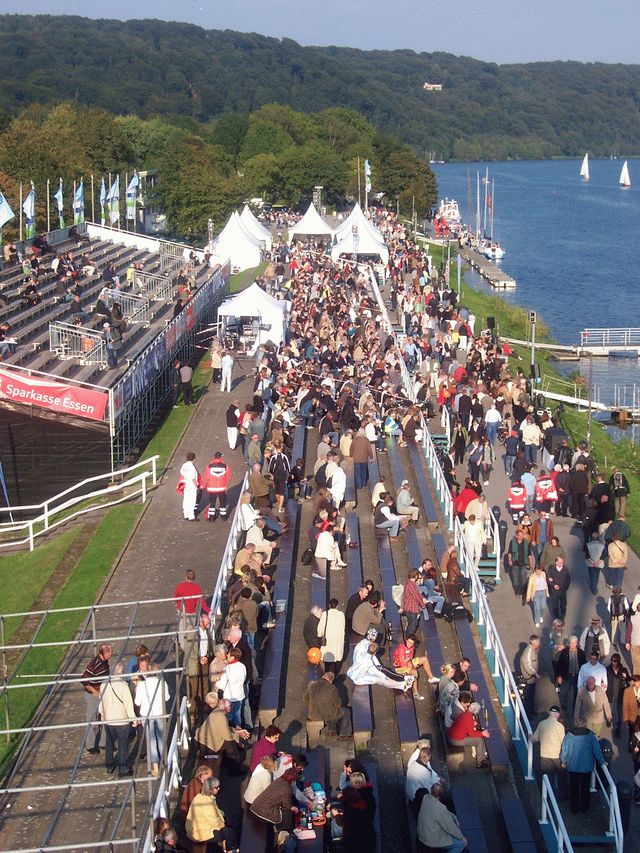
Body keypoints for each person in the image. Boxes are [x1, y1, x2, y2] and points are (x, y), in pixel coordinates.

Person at [97, 661, 136, 776]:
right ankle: (122, 768)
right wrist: (133, 718)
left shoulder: (104, 684)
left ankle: (109, 766)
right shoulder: (124, 686)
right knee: (123, 744)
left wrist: (102, 714)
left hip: (108, 720)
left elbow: (101, 702)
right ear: (121, 672)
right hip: (121, 720)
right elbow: (128, 705)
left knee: (109, 743)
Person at [134, 662, 170, 777]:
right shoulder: (162, 682)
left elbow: (137, 702)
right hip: (159, 713)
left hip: (146, 715)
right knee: (161, 738)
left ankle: (155, 767)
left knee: (152, 740)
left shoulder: (141, 685)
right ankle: (164, 761)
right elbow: (167, 698)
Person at [560, 724, 605, 814]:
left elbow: (564, 750)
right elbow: (597, 751)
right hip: (586, 767)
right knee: (585, 787)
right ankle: (585, 808)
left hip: (573, 766)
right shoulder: (591, 736)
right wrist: (602, 762)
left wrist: (563, 761)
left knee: (574, 788)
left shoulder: (569, 736)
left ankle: (574, 808)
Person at [185, 776, 238, 851]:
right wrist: (224, 826)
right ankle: (230, 849)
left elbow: (216, 812)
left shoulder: (201, 797)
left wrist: (223, 816)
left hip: (200, 827)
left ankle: (224, 845)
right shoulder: (206, 803)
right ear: (210, 790)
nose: (219, 788)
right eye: (216, 787)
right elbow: (214, 822)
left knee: (225, 819)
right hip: (199, 833)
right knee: (230, 833)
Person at [81, 643, 113, 754]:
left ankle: (103, 743)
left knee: (105, 717)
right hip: (93, 696)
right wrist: (94, 691)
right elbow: (84, 680)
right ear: (104, 653)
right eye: (110, 651)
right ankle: (90, 745)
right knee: (92, 720)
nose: (112, 653)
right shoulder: (95, 663)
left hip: (103, 693)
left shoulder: (105, 662)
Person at [417, 783, 466, 853]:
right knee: (461, 844)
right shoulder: (440, 808)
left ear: (431, 790)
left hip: (422, 834)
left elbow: (442, 812)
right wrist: (462, 837)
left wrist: (453, 816)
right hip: (431, 840)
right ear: (441, 794)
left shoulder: (425, 797)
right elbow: (450, 828)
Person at [347, 641, 414, 692]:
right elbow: (379, 672)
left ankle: (402, 685)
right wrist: (399, 677)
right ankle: (402, 685)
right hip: (359, 678)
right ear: (375, 652)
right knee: (382, 680)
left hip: (354, 671)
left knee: (383, 677)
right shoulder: (370, 662)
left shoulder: (361, 651)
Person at [304, 671, 352, 738]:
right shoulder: (332, 688)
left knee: (331, 708)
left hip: (313, 714)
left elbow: (306, 700)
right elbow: (338, 703)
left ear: (322, 677)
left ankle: (332, 730)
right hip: (326, 714)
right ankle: (344, 734)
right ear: (331, 681)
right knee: (346, 711)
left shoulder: (312, 685)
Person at [530, 705, 565, 794]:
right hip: (557, 755)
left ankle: (548, 794)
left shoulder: (542, 724)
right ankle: (562, 794)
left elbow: (534, 739)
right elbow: (563, 742)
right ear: (558, 715)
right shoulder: (560, 726)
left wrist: (530, 737)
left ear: (549, 713)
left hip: (544, 755)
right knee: (561, 775)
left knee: (548, 776)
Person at [393, 634, 439, 700]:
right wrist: (412, 666)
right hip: (399, 668)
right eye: (408, 642)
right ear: (406, 640)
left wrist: (411, 663)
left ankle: (431, 678)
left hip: (408, 663)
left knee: (424, 659)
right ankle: (415, 693)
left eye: (411, 643)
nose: (409, 644)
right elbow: (402, 664)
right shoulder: (401, 649)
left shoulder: (412, 647)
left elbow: (410, 658)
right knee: (414, 672)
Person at [447, 701, 491, 768]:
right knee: (479, 740)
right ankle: (479, 763)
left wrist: (472, 724)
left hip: (452, 735)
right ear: (475, 711)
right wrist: (482, 733)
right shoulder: (469, 718)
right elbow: (471, 734)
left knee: (480, 737)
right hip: (455, 740)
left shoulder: (465, 713)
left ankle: (482, 757)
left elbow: (465, 725)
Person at [174, 569, 210, 650]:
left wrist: (179, 606)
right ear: (194, 578)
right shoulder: (196, 588)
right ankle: (191, 647)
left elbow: (176, 597)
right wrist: (208, 610)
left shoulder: (180, 586)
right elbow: (201, 601)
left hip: (182, 611)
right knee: (191, 630)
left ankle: (184, 648)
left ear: (186, 577)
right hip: (192, 612)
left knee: (182, 630)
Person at [556, 636, 586, 715]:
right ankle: (564, 707)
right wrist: (559, 676)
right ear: (569, 643)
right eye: (571, 643)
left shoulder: (581, 653)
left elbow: (584, 666)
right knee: (563, 693)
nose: (572, 645)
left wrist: (584, 677)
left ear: (576, 643)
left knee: (577, 694)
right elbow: (560, 664)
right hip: (567, 675)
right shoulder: (564, 652)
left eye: (574, 643)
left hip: (577, 676)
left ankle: (574, 711)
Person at [199, 452, 232, 521]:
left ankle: (211, 517)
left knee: (212, 503)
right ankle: (223, 517)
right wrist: (224, 482)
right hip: (221, 488)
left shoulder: (209, 466)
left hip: (212, 488)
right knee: (222, 502)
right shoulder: (225, 466)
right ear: (220, 457)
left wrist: (203, 485)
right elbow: (228, 476)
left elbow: (206, 477)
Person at [317, 599, 346, 675]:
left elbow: (320, 628)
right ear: (337, 605)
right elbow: (343, 626)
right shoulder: (341, 614)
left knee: (327, 656)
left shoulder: (325, 614)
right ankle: (334, 674)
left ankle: (327, 674)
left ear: (329, 605)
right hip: (338, 639)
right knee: (336, 656)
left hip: (329, 639)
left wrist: (319, 636)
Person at [508, 529, 534, 602]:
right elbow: (510, 552)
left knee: (524, 579)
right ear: (516, 536)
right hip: (515, 563)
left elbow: (529, 553)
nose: (521, 537)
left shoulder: (526, 543)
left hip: (524, 563)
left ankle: (524, 592)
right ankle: (517, 592)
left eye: (522, 535)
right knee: (515, 579)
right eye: (519, 535)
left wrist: (530, 562)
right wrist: (510, 560)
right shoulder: (512, 542)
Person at [520, 634, 541, 718]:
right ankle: (527, 714)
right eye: (538, 641)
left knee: (532, 696)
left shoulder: (532, 651)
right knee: (527, 697)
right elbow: (527, 666)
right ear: (534, 642)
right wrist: (535, 673)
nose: (539, 643)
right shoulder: (528, 652)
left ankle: (531, 711)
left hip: (532, 679)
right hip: (529, 679)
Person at [178, 451, 199, 521]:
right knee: (192, 501)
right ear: (193, 459)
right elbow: (193, 478)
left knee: (186, 500)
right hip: (192, 486)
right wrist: (196, 487)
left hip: (186, 485)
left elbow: (182, 473)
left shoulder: (184, 465)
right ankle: (191, 516)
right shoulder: (192, 467)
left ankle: (186, 514)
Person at [625, 603, 640, 679]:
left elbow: (629, 631)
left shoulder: (632, 618)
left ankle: (637, 678)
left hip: (635, 642)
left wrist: (627, 642)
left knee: (636, 661)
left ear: (637, 609)